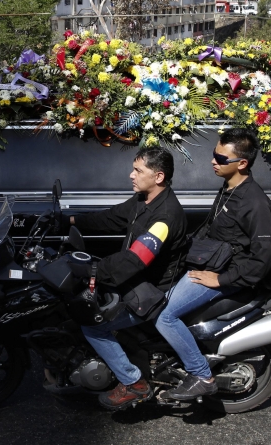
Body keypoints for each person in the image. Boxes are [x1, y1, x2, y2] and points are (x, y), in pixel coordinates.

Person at [160, 128, 271, 401]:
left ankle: (201, 374)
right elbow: (211, 229)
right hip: (209, 260)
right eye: (214, 155)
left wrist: (221, 281)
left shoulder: (254, 202)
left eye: (221, 159)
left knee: (164, 316)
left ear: (242, 163)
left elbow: (262, 256)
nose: (213, 161)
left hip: (224, 273)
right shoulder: (229, 187)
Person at [68, 147, 187, 411]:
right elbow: (112, 218)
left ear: (158, 177)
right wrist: (71, 221)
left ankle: (133, 383)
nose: (131, 175)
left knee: (93, 326)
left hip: (150, 291)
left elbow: (136, 259)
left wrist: (95, 270)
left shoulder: (164, 216)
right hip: (135, 282)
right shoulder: (143, 200)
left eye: (138, 171)